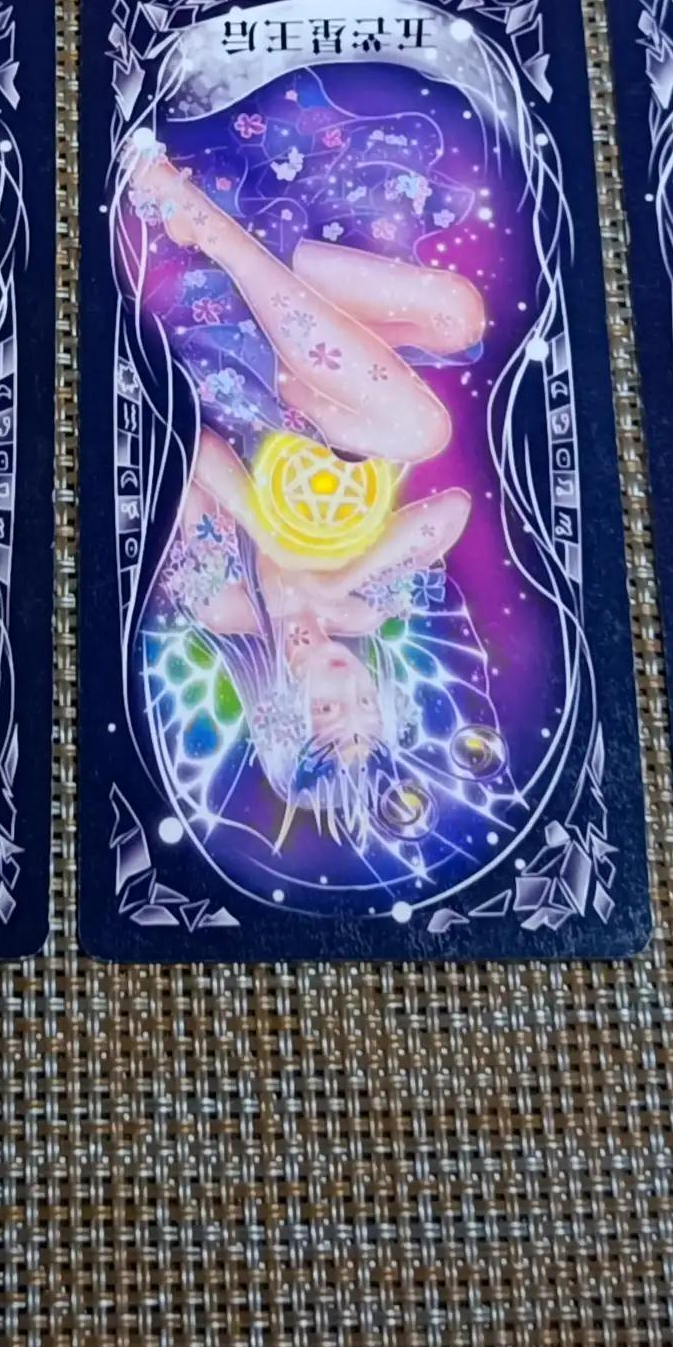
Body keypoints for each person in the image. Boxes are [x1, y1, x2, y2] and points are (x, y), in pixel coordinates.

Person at [121, 105, 511, 860]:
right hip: (312, 394)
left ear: (278, 716)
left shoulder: (225, 605)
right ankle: (228, 238)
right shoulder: (364, 610)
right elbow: (450, 511)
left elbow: (185, 447)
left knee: (422, 431)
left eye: (328, 711)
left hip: (220, 371)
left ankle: (203, 225)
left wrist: (272, 532)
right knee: (458, 319)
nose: (343, 685)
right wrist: (341, 578)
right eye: (362, 700)